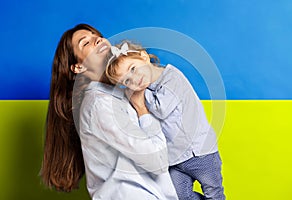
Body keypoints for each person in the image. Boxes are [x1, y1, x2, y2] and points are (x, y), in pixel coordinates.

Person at [40, 24, 178, 200]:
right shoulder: (100, 105)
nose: (97, 39)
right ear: (78, 68)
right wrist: (142, 109)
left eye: (96, 35)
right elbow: (156, 161)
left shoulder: (121, 93)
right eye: (86, 43)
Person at [106, 41, 226, 200]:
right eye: (127, 81)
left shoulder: (171, 77)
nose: (134, 80)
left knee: (214, 192)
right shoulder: (146, 88)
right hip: (174, 159)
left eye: (133, 69)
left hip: (200, 152)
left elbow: (161, 109)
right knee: (178, 195)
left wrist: (138, 97)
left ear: (144, 57)